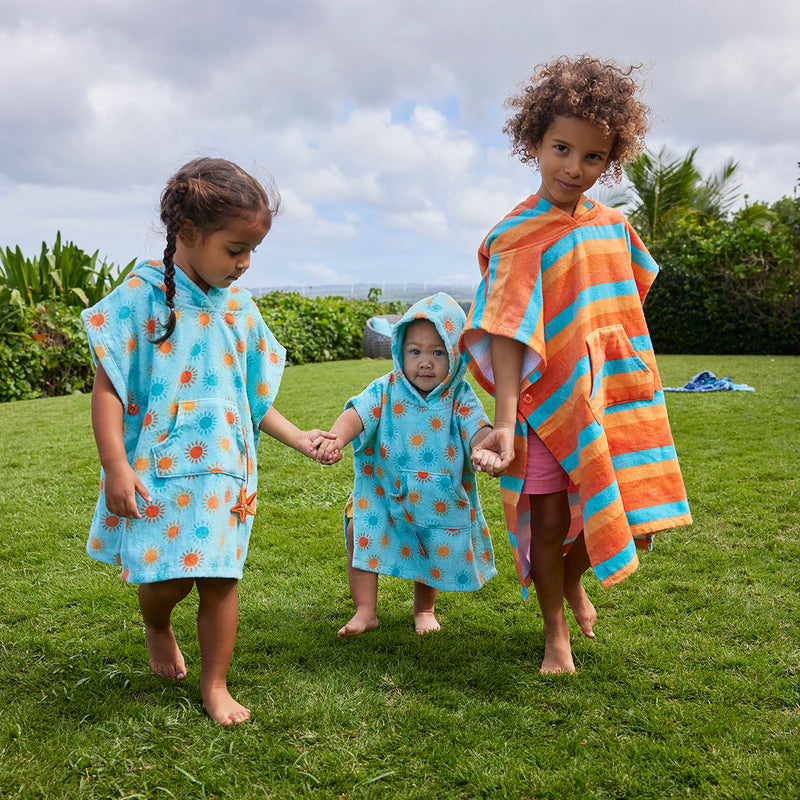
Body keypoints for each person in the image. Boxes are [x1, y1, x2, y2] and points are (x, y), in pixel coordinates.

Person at [460, 56, 692, 674]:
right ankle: (554, 629)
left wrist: (607, 359)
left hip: (607, 392)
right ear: (533, 141)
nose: (575, 168)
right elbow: (505, 333)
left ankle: (571, 581)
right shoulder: (516, 235)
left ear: (610, 159)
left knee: (621, 505)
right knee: (551, 515)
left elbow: (621, 299)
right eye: (561, 148)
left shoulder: (614, 227)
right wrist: (505, 423)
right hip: (539, 400)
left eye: (593, 157)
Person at [82, 157, 333, 725]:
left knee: (221, 578)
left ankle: (215, 684)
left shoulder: (240, 310)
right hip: (157, 473)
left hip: (226, 473)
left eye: (252, 252)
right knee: (164, 581)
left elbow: (251, 399)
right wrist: (116, 466)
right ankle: (157, 624)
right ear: (189, 234)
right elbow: (108, 390)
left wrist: (297, 438)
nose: (244, 264)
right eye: (235, 248)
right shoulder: (139, 300)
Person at [317, 293, 497, 636]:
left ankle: (425, 609)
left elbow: (478, 428)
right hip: (382, 491)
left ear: (455, 355)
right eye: (415, 351)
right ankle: (365, 610)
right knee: (360, 533)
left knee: (430, 544)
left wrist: (484, 448)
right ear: (400, 351)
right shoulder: (386, 388)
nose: (425, 362)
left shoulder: (458, 394)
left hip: (436, 496)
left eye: (437, 352)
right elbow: (357, 413)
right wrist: (337, 437)